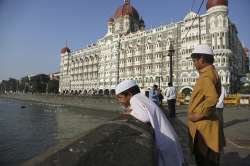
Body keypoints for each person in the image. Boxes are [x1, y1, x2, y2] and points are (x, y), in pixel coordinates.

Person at [116, 80, 184, 166]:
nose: (119, 101)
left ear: (129, 94)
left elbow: (145, 117)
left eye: (120, 97)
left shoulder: (135, 99)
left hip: (165, 142)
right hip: (168, 139)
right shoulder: (140, 97)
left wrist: (129, 113)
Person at [187, 44, 224, 166]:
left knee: (204, 161)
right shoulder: (213, 73)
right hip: (209, 126)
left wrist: (198, 115)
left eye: (194, 61)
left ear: (201, 59)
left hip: (203, 129)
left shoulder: (206, 77)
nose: (194, 64)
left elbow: (212, 98)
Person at [216, 85, 227, 150]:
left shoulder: (214, 86)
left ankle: (217, 141)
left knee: (215, 123)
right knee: (220, 122)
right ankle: (221, 141)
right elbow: (225, 95)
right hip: (220, 107)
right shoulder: (223, 87)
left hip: (215, 106)